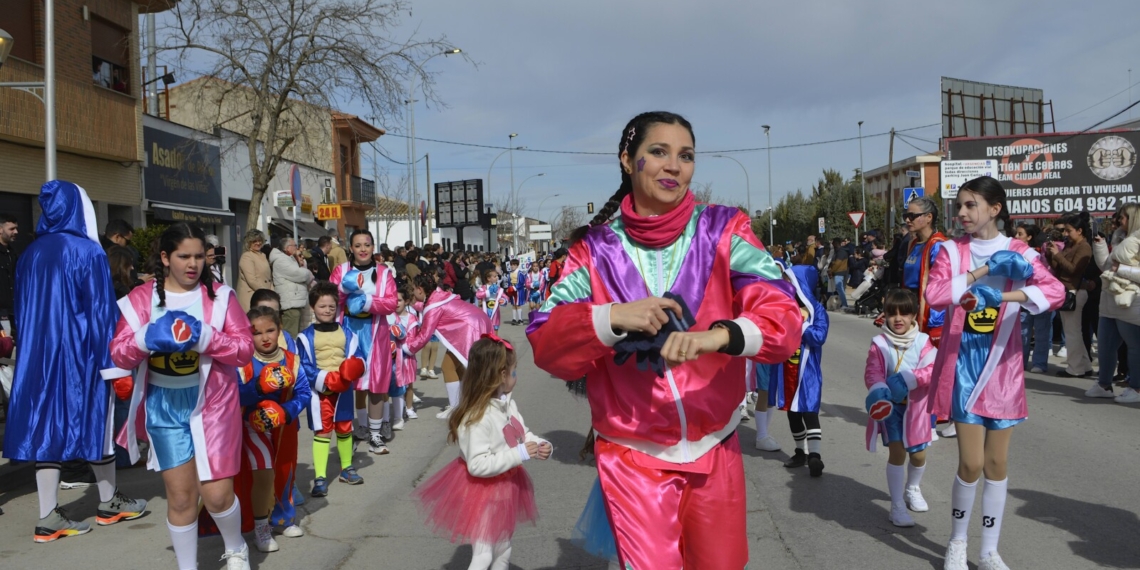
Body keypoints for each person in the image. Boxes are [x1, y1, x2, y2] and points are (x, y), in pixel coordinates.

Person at [527, 112, 801, 568]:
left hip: (716, 445)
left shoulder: (724, 230)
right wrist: (612, 317)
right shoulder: (593, 251)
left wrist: (719, 336)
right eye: (658, 152)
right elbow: (545, 340)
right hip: (632, 455)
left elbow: (783, 315)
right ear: (627, 160)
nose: (674, 165)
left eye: (686, 156)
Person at [924, 176, 1065, 570]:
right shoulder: (951, 251)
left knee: (997, 464)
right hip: (964, 365)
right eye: (960, 205)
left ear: (995, 208)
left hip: (1003, 365)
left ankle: (988, 550)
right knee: (971, 463)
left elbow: (1056, 292)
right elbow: (935, 295)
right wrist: (984, 271)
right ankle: (957, 542)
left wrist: (1002, 295)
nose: (962, 213)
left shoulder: (1020, 251)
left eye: (971, 205)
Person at [4, 181, 147, 542]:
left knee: (46, 428)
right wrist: (114, 362)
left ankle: (48, 514)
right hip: (80, 355)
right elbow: (100, 313)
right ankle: (109, 501)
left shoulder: (30, 254)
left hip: (38, 355)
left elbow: (21, 309)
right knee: (98, 424)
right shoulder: (88, 251)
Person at [111, 222, 255, 569]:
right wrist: (146, 337)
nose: (193, 264)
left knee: (217, 495)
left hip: (213, 404)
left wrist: (205, 336)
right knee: (180, 497)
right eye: (183, 256)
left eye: (199, 256)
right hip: (164, 405)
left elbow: (244, 350)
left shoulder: (221, 296)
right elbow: (118, 354)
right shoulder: (141, 298)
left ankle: (236, 548)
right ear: (165, 257)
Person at [414, 335, 550, 570]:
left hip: (507, 486)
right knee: (483, 554)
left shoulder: (507, 404)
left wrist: (538, 444)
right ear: (501, 375)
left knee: (504, 548)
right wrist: (519, 454)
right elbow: (477, 465)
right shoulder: (476, 417)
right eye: (514, 372)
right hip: (483, 492)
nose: (516, 376)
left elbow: (521, 433)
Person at [237, 306, 310, 552]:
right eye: (257, 333)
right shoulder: (242, 362)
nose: (265, 337)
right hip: (252, 427)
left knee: (285, 472)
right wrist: (257, 388)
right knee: (264, 473)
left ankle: (283, 519)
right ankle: (261, 528)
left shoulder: (292, 360)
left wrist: (286, 411)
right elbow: (233, 395)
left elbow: (304, 393)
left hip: (284, 427)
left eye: (270, 330)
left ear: (279, 330)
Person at [863, 289, 936, 528]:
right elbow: (873, 371)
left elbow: (933, 369)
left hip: (918, 408)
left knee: (918, 454)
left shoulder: (924, 341)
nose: (898, 319)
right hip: (892, 408)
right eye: (892, 313)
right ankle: (896, 506)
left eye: (904, 313)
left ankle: (912, 488)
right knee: (897, 452)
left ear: (914, 315)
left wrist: (909, 379)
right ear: (884, 315)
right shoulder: (879, 343)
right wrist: (879, 390)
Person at [330, 230, 400, 454]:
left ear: (373, 247)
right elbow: (330, 298)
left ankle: (375, 435)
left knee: (376, 383)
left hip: (375, 332)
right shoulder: (341, 271)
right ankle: (347, 434)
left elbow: (391, 303)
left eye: (367, 245)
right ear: (351, 248)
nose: (362, 249)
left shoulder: (384, 273)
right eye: (358, 245)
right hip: (347, 331)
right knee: (345, 383)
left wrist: (367, 301)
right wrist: (344, 290)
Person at [297, 282, 367, 494]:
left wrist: (355, 368)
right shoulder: (304, 337)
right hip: (320, 393)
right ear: (312, 307)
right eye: (322, 306)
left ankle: (347, 468)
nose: (327, 310)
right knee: (323, 431)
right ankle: (320, 477)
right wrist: (325, 380)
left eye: (331, 306)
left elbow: (359, 357)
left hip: (343, 389)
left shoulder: (348, 333)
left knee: (345, 427)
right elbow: (303, 365)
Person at [404, 272, 493, 419]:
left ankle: (455, 406)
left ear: (420, 289)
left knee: (447, 367)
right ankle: (466, 402)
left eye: (413, 289)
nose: (412, 292)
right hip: (478, 321)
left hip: (469, 329)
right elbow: (424, 306)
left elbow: (424, 335)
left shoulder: (434, 306)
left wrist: (407, 347)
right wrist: (410, 303)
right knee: (461, 367)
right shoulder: (438, 296)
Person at [769, 265, 829, 476]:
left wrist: (801, 323)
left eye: (789, 280)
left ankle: (815, 455)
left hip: (807, 370)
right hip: (786, 369)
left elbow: (819, 337)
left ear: (800, 284)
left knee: (809, 409)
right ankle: (800, 452)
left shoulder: (817, 310)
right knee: (792, 412)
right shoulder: (784, 307)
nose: (785, 284)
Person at [1087, 203, 1140, 403]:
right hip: (1109, 301)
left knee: (1135, 348)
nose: (1118, 220)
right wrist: (1100, 246)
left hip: (1130, 302)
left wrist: (1121, 270)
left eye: (1122, 217)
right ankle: (1104, 385)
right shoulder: (1119, 238)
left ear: (1133, 218)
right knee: (1105, 346)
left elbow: (1118, 269)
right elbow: (1107, 268)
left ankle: (1136, 388)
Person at [1045, 211, 1094, 378]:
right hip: (1066, 289)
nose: (1065, 234)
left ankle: (1075, 368)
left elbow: (1073, 269)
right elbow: (1059, 267)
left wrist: (1058, 255)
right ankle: (1084, 365)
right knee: (1073, 331)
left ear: (1079, 231)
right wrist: (1050, 253)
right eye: (1064, 230)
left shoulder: (1084, 247)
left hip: (1075, 291)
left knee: (1072, 332)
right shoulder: (1070, 244)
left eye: (1069, 230)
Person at [270, 238, 315, 337]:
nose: (296, 247)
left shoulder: (288, 258)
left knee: (296, 333)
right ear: (287, 248)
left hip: (294, 301)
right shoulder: (281, 260)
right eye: (294, 245)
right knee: (291, 335)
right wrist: (308, 273)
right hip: (290, 303)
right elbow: (299, 274)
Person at [390, 288, 421, 424]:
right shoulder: (389, 316)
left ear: (406, 301)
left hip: (407, 356)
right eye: (394, 300)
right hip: (392, 356)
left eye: (400, 300)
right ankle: (398, 410)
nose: (396, 303)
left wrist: (403, 345)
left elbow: (413, 338)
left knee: (408, 384)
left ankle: (409, 408)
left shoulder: (412, 318)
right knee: (396, 383)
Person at [237, 230, 272, 312]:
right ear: (249, 243)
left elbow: (268, 278)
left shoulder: (262, 255)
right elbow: (252, 280)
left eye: (260, 240)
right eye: (254, 241)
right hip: (252, 296)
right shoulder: (247, 256)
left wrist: (272, 292)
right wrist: (266, 293)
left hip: (264, 295)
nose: (258, 243)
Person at [0, 212, 19, 337]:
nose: (16, 232)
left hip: (13, 313)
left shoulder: (13, 254)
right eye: (11, 229)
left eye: (16, 228)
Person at [504, 259, 526, 326]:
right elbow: (509, 282)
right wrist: (509, 288)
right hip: (512, 289)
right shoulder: (510, 273)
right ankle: (514, 319)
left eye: (514, 265)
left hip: (518, 290)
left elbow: (521, 282)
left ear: (517, 265)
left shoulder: (520, 273)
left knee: (518, 304)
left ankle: (520, 320)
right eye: (511, 265)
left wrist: (514, 288)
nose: (512, 266)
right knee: (513, 305)